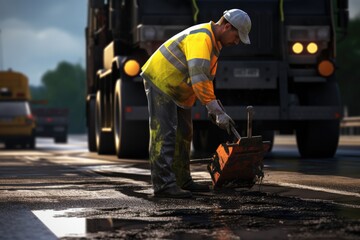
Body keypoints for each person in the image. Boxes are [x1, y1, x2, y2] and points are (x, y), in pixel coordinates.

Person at [141, 9, 251, 198]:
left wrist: (215, 108)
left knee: (184, 132)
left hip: (178, 87)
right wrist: (213, 107)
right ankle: (164, 185)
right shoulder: (202, 39)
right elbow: (199, 77)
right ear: (226, 26)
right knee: (164, 132)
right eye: (237, 36)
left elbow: (205, 79)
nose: (237, 41)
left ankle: (182, 180)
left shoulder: (214, 44)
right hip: (162, 80)